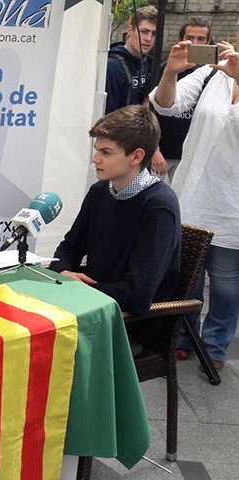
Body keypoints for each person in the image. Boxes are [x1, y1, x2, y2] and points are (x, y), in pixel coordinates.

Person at [49, 105, 181, 350]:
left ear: (136, 157)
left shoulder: (158, 205)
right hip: (93, 306)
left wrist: (78, 286)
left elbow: (138, 296)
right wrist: (65, 272)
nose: (94, 158)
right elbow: (69, 247)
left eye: (106, 152)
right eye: (97, 150)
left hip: (130, 325)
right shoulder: (100, 191)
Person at [149, 24, 239, 371]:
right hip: (195, 192)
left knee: (228, 283)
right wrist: (171, 71)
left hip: (232, 202)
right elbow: (166, 104)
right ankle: (185, 337)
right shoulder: (208, 74)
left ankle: (216, 344)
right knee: (190, 276)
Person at [153, 17, 213, 184]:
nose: (194, 43)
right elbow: (149, 109)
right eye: (189, 38)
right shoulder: (167, 69)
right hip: (161, 152)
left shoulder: (208, 74)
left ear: (208, 42)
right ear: (180, 40)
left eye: (200, 39)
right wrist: (154, 149)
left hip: (188, 156)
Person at [105, 6, 157, 114]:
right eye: (144, 31)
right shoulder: (113, 67)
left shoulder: (147, 63)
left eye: (154, 34)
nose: (148, 38)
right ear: (130, 30)